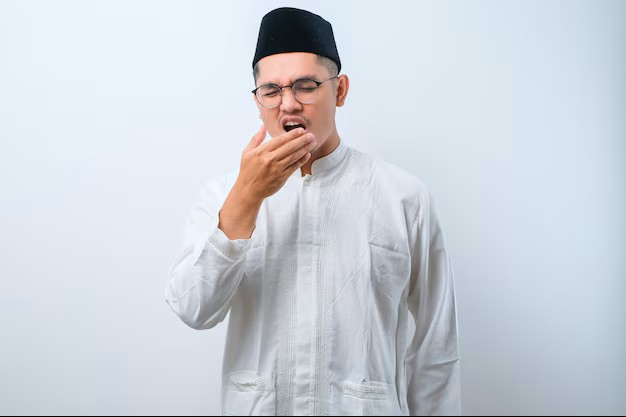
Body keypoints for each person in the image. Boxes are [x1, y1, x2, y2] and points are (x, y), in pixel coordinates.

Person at [165, 7, 460, 416]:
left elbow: (436, 348)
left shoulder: (403, 198)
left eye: (306, 86)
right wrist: (246, 198)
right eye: (271, 91)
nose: (288, 105)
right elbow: (193, 309)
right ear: (257, 101)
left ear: (340, 91)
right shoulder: (221, 195)